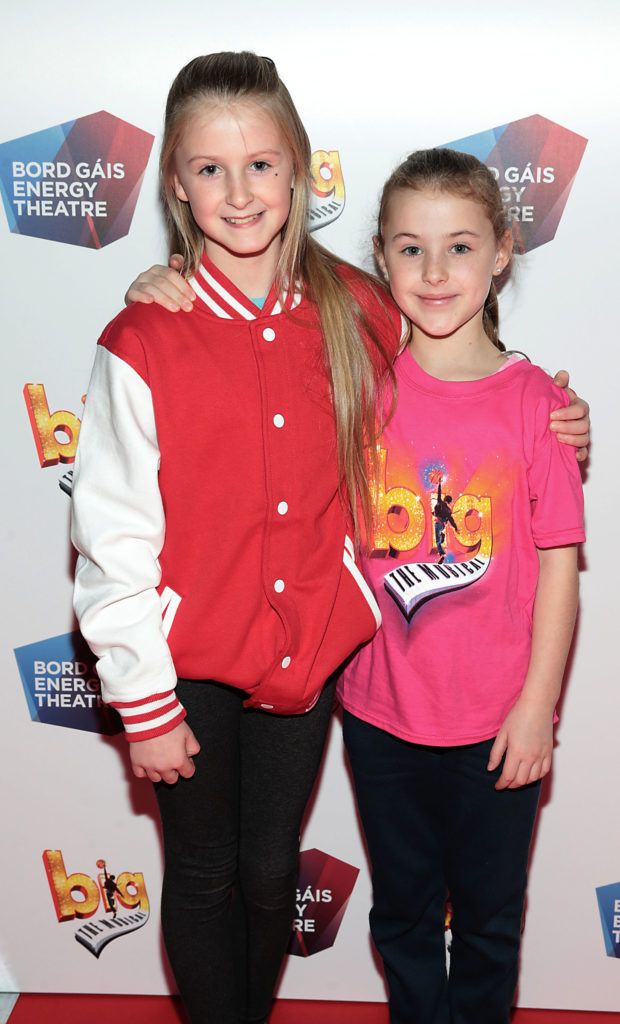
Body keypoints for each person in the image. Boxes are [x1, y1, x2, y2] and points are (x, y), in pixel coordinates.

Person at [71, 51, 403, 1024]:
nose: (239, 190)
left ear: (298, 168)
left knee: (268, 872)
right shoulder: (142, 339)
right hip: (189, 663)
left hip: (308, 647)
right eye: (209, 168)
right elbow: (111, 532)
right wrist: (142, 695)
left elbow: (452, 371)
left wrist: (543, 404)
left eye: (260, 163)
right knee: (207, 869)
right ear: (175, 182)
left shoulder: (357, 308)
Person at [337, 148, 586, 1023]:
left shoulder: (536, 407)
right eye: (410, 249)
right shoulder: (354, 384)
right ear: (379, 257)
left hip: (497, 726)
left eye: (459, 247)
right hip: (378, 718)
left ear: (502, 251)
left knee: (488, 923)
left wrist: (536, 708)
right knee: (401, 914)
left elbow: (561, 564)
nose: (434, 272)